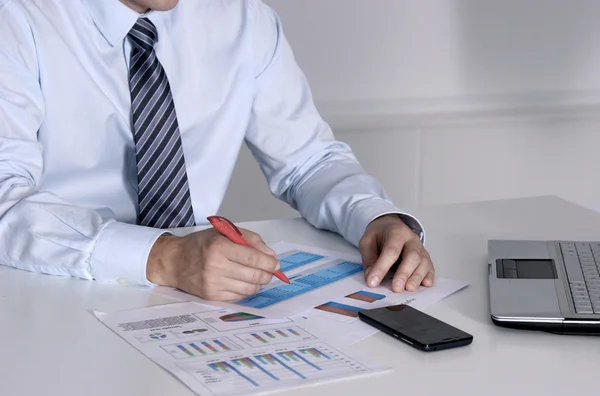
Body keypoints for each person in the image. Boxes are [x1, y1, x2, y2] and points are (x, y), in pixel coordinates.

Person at [0, 0, 434, 301]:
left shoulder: (242, 18)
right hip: (45, 292)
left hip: (195, 308)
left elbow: (307, 161)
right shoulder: (15, 19)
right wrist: (165, 256)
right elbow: (5, 200)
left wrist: (375, 217)